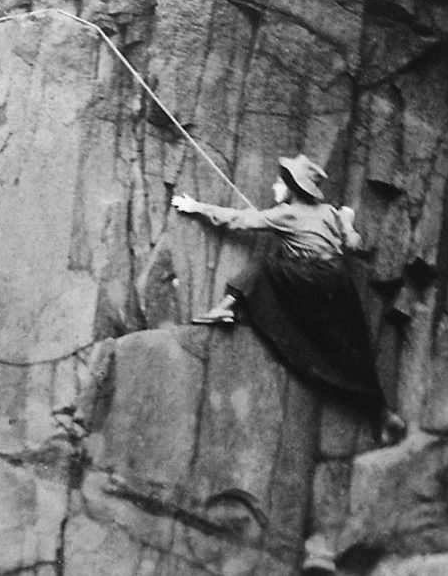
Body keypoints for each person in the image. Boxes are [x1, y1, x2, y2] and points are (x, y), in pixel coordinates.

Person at [172, 154, 406, 444]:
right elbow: (353, 244)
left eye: (280, 182)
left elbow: (238, 220)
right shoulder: (329, 212)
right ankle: (384, 414)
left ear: (292, 188)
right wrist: (347, 219)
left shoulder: (287, 213)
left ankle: (226, 307)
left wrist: (196, 207)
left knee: (266, 266)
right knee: (352, 351)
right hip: (339, 283)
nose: (275, 186)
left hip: (312, 280)